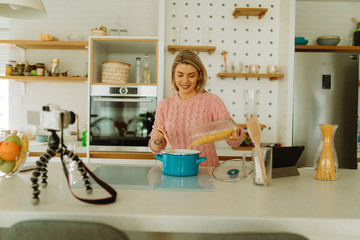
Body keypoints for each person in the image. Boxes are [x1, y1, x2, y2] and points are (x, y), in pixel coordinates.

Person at [148, 49, 244, 166]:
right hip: (175, 169)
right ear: (173, 74)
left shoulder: (211, 100)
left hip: (207, 170)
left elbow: (234, 136)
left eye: (191, 75)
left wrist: (235, 136)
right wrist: (157, 140)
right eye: (180, 75)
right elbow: (156, 148)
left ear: (199, 75)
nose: (185, 81)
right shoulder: (164, 105)